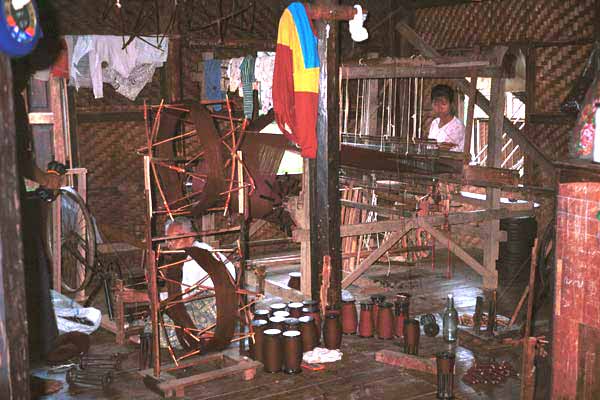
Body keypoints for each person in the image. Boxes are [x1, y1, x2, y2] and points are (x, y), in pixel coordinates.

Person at [161, 217, 236, 349]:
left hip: (214, 317)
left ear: (190, 236)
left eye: (174, 239)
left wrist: (146, 297)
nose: (169, 244)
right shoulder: (205, 249)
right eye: (167, 239)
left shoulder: (190, 259)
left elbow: (178, 298)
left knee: (156, 328)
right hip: (227, 314)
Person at [428, 84, 466, 152]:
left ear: (451, 104)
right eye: (436, 104)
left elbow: (443, 149)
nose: (439, 108)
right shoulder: (435, 123)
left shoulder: (457, 126)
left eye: (443, 103)